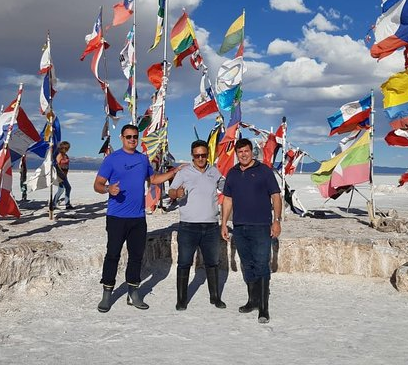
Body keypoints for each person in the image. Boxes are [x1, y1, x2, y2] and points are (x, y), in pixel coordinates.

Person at [93, 124, 182, 313]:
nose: (132, 140)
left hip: (138, 218)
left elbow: (154, 179)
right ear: (122, 138)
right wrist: (109, 189)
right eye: (128, 137)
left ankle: (133, 292)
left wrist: (173, 172)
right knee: (112, 255)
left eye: (135, 137)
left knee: (136, 256)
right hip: (116, 217)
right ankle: (107, 293)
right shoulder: (112, 159)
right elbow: (98, 184)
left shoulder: (143, 159)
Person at [220, 138, 282, 324]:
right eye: (240, 152)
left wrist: (276, 220)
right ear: (237, 154)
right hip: (240, 227)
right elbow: (228, 200)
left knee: (262, 265)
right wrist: (223, 223)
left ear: (251, 152)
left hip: (261, 227)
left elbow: (276, 196)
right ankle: (252, 300)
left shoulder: (264, 171)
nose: (244, 154)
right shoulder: (232, 173)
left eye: (246, 151)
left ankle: (263, 308)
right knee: (247, 265)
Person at [167, 140, 226, 311]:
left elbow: (226, 187)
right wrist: (176, 193)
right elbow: (171, 190)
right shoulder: (184, 173)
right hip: (188, 227)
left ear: (208, 155)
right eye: (197, 155)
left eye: (203, 155)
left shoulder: (214, 172)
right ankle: (181, 299)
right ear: (192, 156)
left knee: (212, 262)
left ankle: (215, 297)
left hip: (211, 227)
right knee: (184, 263)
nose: (200, 158)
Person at [53, 141, 72, 210]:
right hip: (60, 175)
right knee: (65, 188)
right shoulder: (60, 155)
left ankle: (54, 204)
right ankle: (66, 204)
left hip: (64, 175)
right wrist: (60, 174)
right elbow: (56, 165)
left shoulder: (65, 155)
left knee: (61, 189)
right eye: (67, 148)